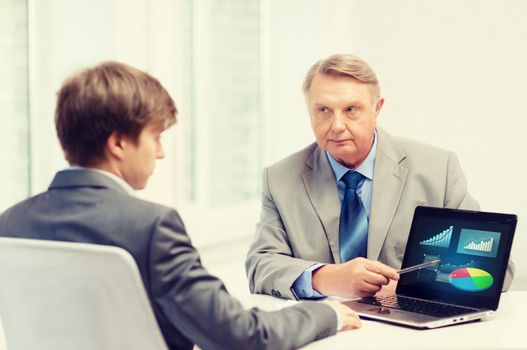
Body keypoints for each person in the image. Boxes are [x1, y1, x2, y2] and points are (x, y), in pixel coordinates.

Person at [0, 62, 362, 350]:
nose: (160, 151)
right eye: (155, 137)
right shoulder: (151, 227)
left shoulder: (11, 223)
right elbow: (241, 335)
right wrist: (323, 314)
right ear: (118, 144)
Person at [245, 53, 515, 300]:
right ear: (310, 113)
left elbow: (497, 270)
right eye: (323, 110)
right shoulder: (280, 179)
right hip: (325, 328)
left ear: (377, 109)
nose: (337, 126)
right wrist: (325, 277)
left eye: (351, 109)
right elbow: (261, 264)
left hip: (412, 329)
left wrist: (410, 286)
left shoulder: (438, 169)